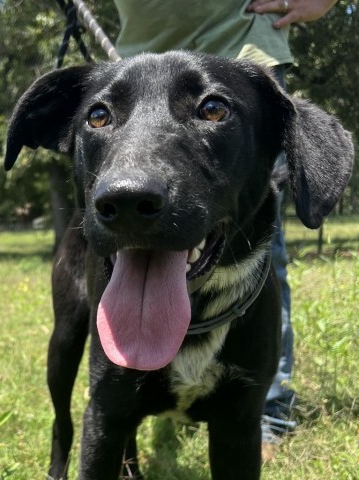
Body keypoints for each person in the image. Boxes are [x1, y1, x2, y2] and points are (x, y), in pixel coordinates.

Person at [112, 0, 338, 450]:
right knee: (133, 238)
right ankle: (145, 382)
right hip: (137, 63)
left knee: (255, 247)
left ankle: (262, 405)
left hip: (242, 50)